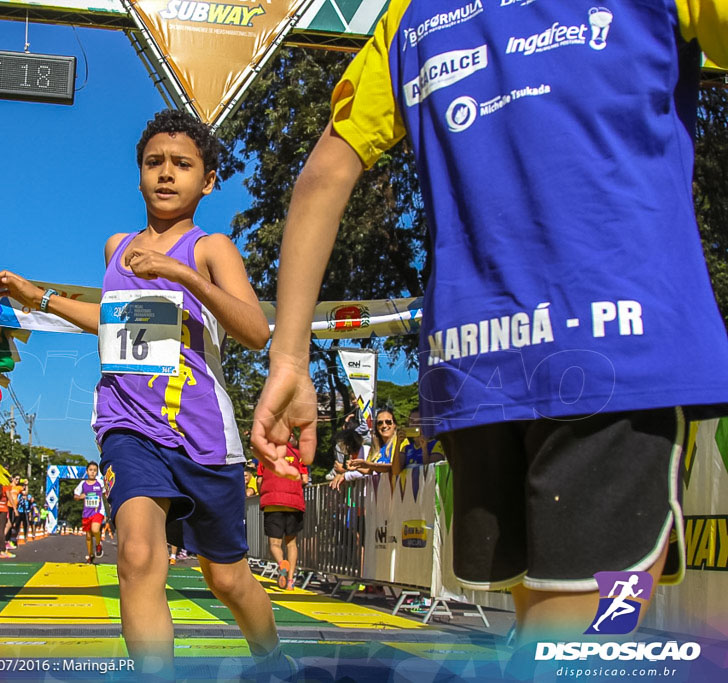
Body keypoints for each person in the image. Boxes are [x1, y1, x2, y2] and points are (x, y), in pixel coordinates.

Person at [252, 3, 728, 643]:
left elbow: (322, 175)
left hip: (474, 362)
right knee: (583, 640)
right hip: (618, 346)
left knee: (546, 618)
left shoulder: (410, 15)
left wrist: (289, 360)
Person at [0, 109, 287, 677]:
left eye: (183, 164)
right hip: (129, 425)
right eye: (155, 162)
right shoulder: (116, 248)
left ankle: (272, 658)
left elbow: (255, 331)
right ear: (138, 175)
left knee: (225, 577)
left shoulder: (212, 248)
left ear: (208, 180)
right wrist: (39, 298)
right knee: (136, 556)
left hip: (201, 432)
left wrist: (183, 277)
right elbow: (114, 320)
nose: (167, 174)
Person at [256, 437, 308, 590]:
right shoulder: (298, 455)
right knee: (291, 543)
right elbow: (304, 478)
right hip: (294, 503)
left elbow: (259, 480)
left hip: (273, 503)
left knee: (274, 543)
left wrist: (263, 494)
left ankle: (281, 564)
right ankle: (291, 581)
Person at [74, 462, 106, 563]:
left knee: (95, 530)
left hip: (98, 511)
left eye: (95, 470)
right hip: (87, 512)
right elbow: (75, 495)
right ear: (87, 471)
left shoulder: (100, 483)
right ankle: (90, 555)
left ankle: (98, 544)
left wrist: (108, 512)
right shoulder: (83, 484)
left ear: (97, 472)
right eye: (91, 470)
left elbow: (106, 494)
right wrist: (80, 497)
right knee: (88, 536)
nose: (92, 472)